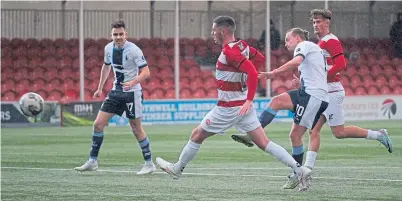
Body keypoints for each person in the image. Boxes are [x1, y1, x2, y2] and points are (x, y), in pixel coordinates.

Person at [231, 9, 393, 189]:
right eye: (314, 22)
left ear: (327, 23)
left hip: (330, 92)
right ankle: (303, 170)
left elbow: (341, 64)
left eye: (319, 22)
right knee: (318, 132)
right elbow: (315, 71)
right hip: (319, 92)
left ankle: (301, 171)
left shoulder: (330, 41)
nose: (315, 25)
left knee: (329, 133)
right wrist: (303, 81)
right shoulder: (316, 44)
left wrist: (283, 73)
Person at [155, 16, 312, 191]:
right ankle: (300, 169)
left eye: (214, 30)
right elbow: (258, 58)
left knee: (197, 134)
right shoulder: (241, 45)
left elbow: (252, 71)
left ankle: (177, 169)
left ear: (223, 31)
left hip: (228, 107)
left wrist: (249, 97)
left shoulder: (230, 51)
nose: (212, 33)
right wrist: (243, 80)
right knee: (264, 142)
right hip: (242, 106)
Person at [74, 20, 156, 175]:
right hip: (115, 92)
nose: (118, 37)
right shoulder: (108, 48)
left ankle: (149, 163)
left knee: (136, 129)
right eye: (115, 34)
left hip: (132, 94)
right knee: (98, 124)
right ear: (111, 35)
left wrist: (132, 82)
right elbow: (106, 67)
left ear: (126, 34)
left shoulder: (134, 50)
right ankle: (92, 161)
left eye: (120, 34)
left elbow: (146, 73)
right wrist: (99, 88)